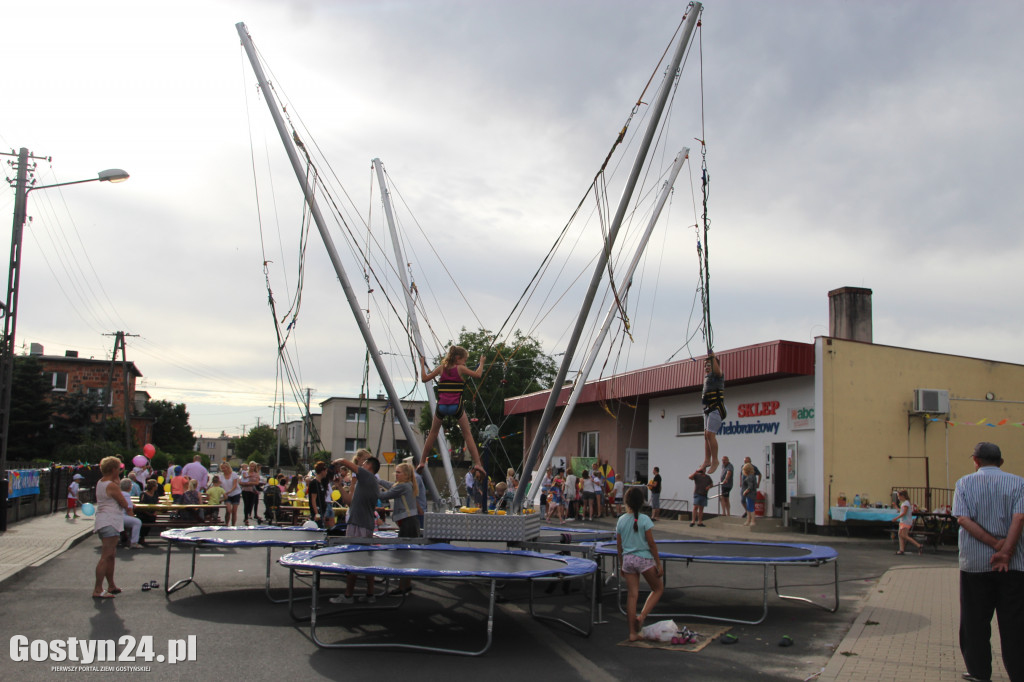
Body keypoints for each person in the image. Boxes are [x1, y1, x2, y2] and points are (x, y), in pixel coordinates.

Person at [953, 442, 1024, 682]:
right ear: (1001, 462)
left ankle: (979, 672)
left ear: (975, 460)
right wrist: (1007, 551)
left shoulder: (963, 483)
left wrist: (995, 545)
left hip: (975, 564)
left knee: (974, 621)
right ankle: (1018, 673)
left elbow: (963, 519)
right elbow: (1020, 516)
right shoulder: (1019, 483)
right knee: (1014, 623)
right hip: (1014, 566)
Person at [417, 346, 487, 478]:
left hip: (442, 406)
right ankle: (478, 463)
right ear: (457, 358)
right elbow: (478, 375)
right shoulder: (460, 369)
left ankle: (421, 461)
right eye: (464, 360)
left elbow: (424, 379)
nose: (465, 363)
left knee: (433, 433)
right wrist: (481, 362)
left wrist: (422, 364)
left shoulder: (441, 368)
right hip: (456, 406)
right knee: (467, 435)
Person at [331, 456, 382, 604]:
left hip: (359, 524)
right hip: (359, 523)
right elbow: (349, 502)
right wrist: (340, 486)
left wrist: (337, 461)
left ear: (369, 466)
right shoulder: (364, 482)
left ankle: (348, 595)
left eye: (364, 463)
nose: (361, 464)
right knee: (365, 559)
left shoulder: (368, 476)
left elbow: (348, 464)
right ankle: (370, 594)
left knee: (353, 559)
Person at [616, 486, 664, 642]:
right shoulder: (645, 520)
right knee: (657, 588)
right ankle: (641, 616)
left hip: (628, 560)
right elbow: (651, 543)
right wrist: (658, 563)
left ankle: (632, 633)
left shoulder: (621, 520)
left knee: (632, 595)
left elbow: (619, 545)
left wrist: (621, 564)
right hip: (643, 559)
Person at [92, 456, 133, 598]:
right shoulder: (112, 486)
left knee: (111, 555)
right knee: (106, 555)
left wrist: (116, 477)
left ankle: (111, 585)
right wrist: (129, 509)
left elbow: (116, 484)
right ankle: (98, 589)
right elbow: (123, 502)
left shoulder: (101, 482)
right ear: (113, 469)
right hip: (110, 521)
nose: (120, 471)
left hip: (104, 520)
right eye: (118, 468)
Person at [377, 462, 420, 596]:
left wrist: (372, 486)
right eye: (395, 472)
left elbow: (384, 496)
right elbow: (391, 486)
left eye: (398, 472)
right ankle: (406, 585)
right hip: (410, 522)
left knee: (403, 555)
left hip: (408, 523)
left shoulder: (403, 486)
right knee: (406, 555)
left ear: (406, 475)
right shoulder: (406, 485)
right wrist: (378, 480)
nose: (396, 474)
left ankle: (402, 587)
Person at [701, 351, 725, 475]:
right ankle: (707, 460)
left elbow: (717, 370)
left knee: (710, 435)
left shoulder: (718, 375)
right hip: (707, 409)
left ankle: (715, 460)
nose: (706, 367)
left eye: (709, 365)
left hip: (716, 408)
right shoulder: (707, 377)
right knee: (706, 435)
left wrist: (713, 357)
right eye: (705, 365)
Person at [895, 489, 923, 556]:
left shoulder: (906, 503)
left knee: (904, 535)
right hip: (903, 521)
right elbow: (901, 511)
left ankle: (918, 545)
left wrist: (896, 518)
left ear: (903, 496)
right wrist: (896, 507)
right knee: (900, 534)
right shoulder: (904, 503)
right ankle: (901, 549)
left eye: (899, 496)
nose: (898, 498)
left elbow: (904, 513)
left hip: (906, 521)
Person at [119, 479, 143, 548]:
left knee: (133, 521)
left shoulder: (120, 493)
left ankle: (127, 538)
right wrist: (133, 516)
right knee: (137, 522)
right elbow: (129, 509)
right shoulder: (126, 494)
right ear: (130, 487)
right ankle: (134, 542)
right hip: (122, 516)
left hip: (116, 515)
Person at [136, 479, 160, 545]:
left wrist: (155, 512)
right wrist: (149, 513)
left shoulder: (155, 494)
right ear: (153, 486)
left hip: (152, 514)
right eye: (156, 485)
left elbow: (157, 504)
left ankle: (142, 537)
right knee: (145, 519)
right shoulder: (143, 494)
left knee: (151, 519)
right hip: (144, 513)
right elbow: (141, 506)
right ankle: (141, 537)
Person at [307, 462, 329, 528]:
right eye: (326, 471)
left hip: (322, 510)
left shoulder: (321, 483)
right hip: (317, 511)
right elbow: (313, 499)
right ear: (322, 471)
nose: (326, 473)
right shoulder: (314, 483)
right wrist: (316, 513)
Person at [741, 463, 758, 527]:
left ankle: (752, 521)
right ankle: (748, 520)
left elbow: (750, 487)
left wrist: (745, 491)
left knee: (750, 508)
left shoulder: (749, 477)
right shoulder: (753, 476)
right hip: (752, 494)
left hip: (750, 495)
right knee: (748, 508)